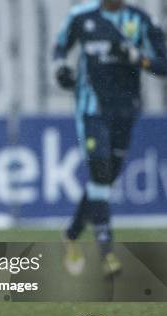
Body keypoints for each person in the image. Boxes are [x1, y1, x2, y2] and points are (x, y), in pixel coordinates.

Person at [55, 0, 167, 276]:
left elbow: (163, 64)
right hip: (92, 109)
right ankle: (107, 252)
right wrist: (61, 70)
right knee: (101, 171)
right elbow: (60, 47)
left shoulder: (141, 20)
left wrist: (136, 57)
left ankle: (71, 233)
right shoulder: (81, 17)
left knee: (103, 180)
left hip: (126, 110)